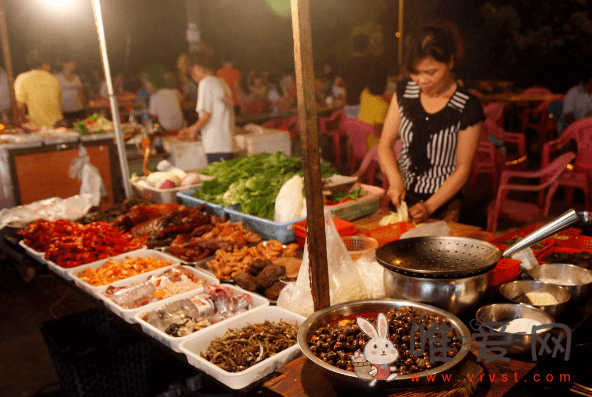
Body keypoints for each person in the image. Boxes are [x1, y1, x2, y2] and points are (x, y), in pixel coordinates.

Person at [378, 22, 484, 223]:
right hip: (402, 197)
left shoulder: (467, 106)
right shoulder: (404, 92)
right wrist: (395, 180)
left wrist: (429, 206)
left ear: (450, 62)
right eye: (415, 72)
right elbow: (385, 144)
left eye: (431, 72)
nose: (422, 80)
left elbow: (463, 167)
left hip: (444, 205)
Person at [178, 53, 235, 164]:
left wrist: (192, 131)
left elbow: (206, 116)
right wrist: (190, 129)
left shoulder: (205, 83)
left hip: (215, 145)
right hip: (229, 144)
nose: (194, 78)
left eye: (192, 73)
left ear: (197, 68)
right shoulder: (223, 83)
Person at [14, 55, 63, 127]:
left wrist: (22, 120)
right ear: (44, 64)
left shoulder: (22, 78)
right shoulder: (54, 79)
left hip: (36, 127)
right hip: (57, 125)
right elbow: (59, 103)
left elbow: (19, 106)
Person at [340, 33, 375, 119]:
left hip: (350, 104)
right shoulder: (370, 64)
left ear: (353, 46)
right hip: (366, 105)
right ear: (366, 47)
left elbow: (340, 82)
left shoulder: (347, 63)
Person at [358, 62, 389, 149]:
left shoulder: (364, 93)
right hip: (373, 145)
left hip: (359, 139)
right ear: (385, 85)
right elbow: (379, 132)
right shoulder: (383, 105)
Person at [146, 67, 186, 131]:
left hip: (167, 130)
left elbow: (153, 117)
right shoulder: (175, 92)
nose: (147, 88)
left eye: (148, 85)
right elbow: (181, 105)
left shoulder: (154, 97)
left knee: (153, 124)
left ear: (153, 84)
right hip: (182, 127)